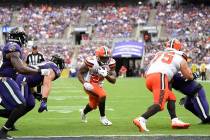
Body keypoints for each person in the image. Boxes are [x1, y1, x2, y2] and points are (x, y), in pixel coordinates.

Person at [133, 39, 198, 132]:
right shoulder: (179, 57)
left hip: (149, 78)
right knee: (159, 105)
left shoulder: (159, 54)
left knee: (171, 96)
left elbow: (147, 70)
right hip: (160, 77)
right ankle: (142, 119)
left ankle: (174, 120)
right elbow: (189, 76)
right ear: (178, 48)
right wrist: (194, 75)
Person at [0, 27, 50, 139]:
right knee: (21, 105)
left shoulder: (14, 47)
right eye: (23, 37)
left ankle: (5, 129)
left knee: (17, 107)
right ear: (19, 37)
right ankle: (2, 132)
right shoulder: (13, 47)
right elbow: (21, 68)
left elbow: (22, 68)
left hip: (9, 79)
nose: (24, 39)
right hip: (5, 79)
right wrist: (39, 71)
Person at [77, 46, 116, 126]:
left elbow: (113, 81)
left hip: (99, 85)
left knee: (93, 105)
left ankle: (83, 112)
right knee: (103, 95)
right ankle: (103, 118)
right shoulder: (92, 62)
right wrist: (84, 83)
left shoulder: (111, 63)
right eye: (102, 58)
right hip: (89, 84)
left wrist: (106, 76)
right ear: (98, 57)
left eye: (106, 58)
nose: (105, 60)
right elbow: (79, 72)